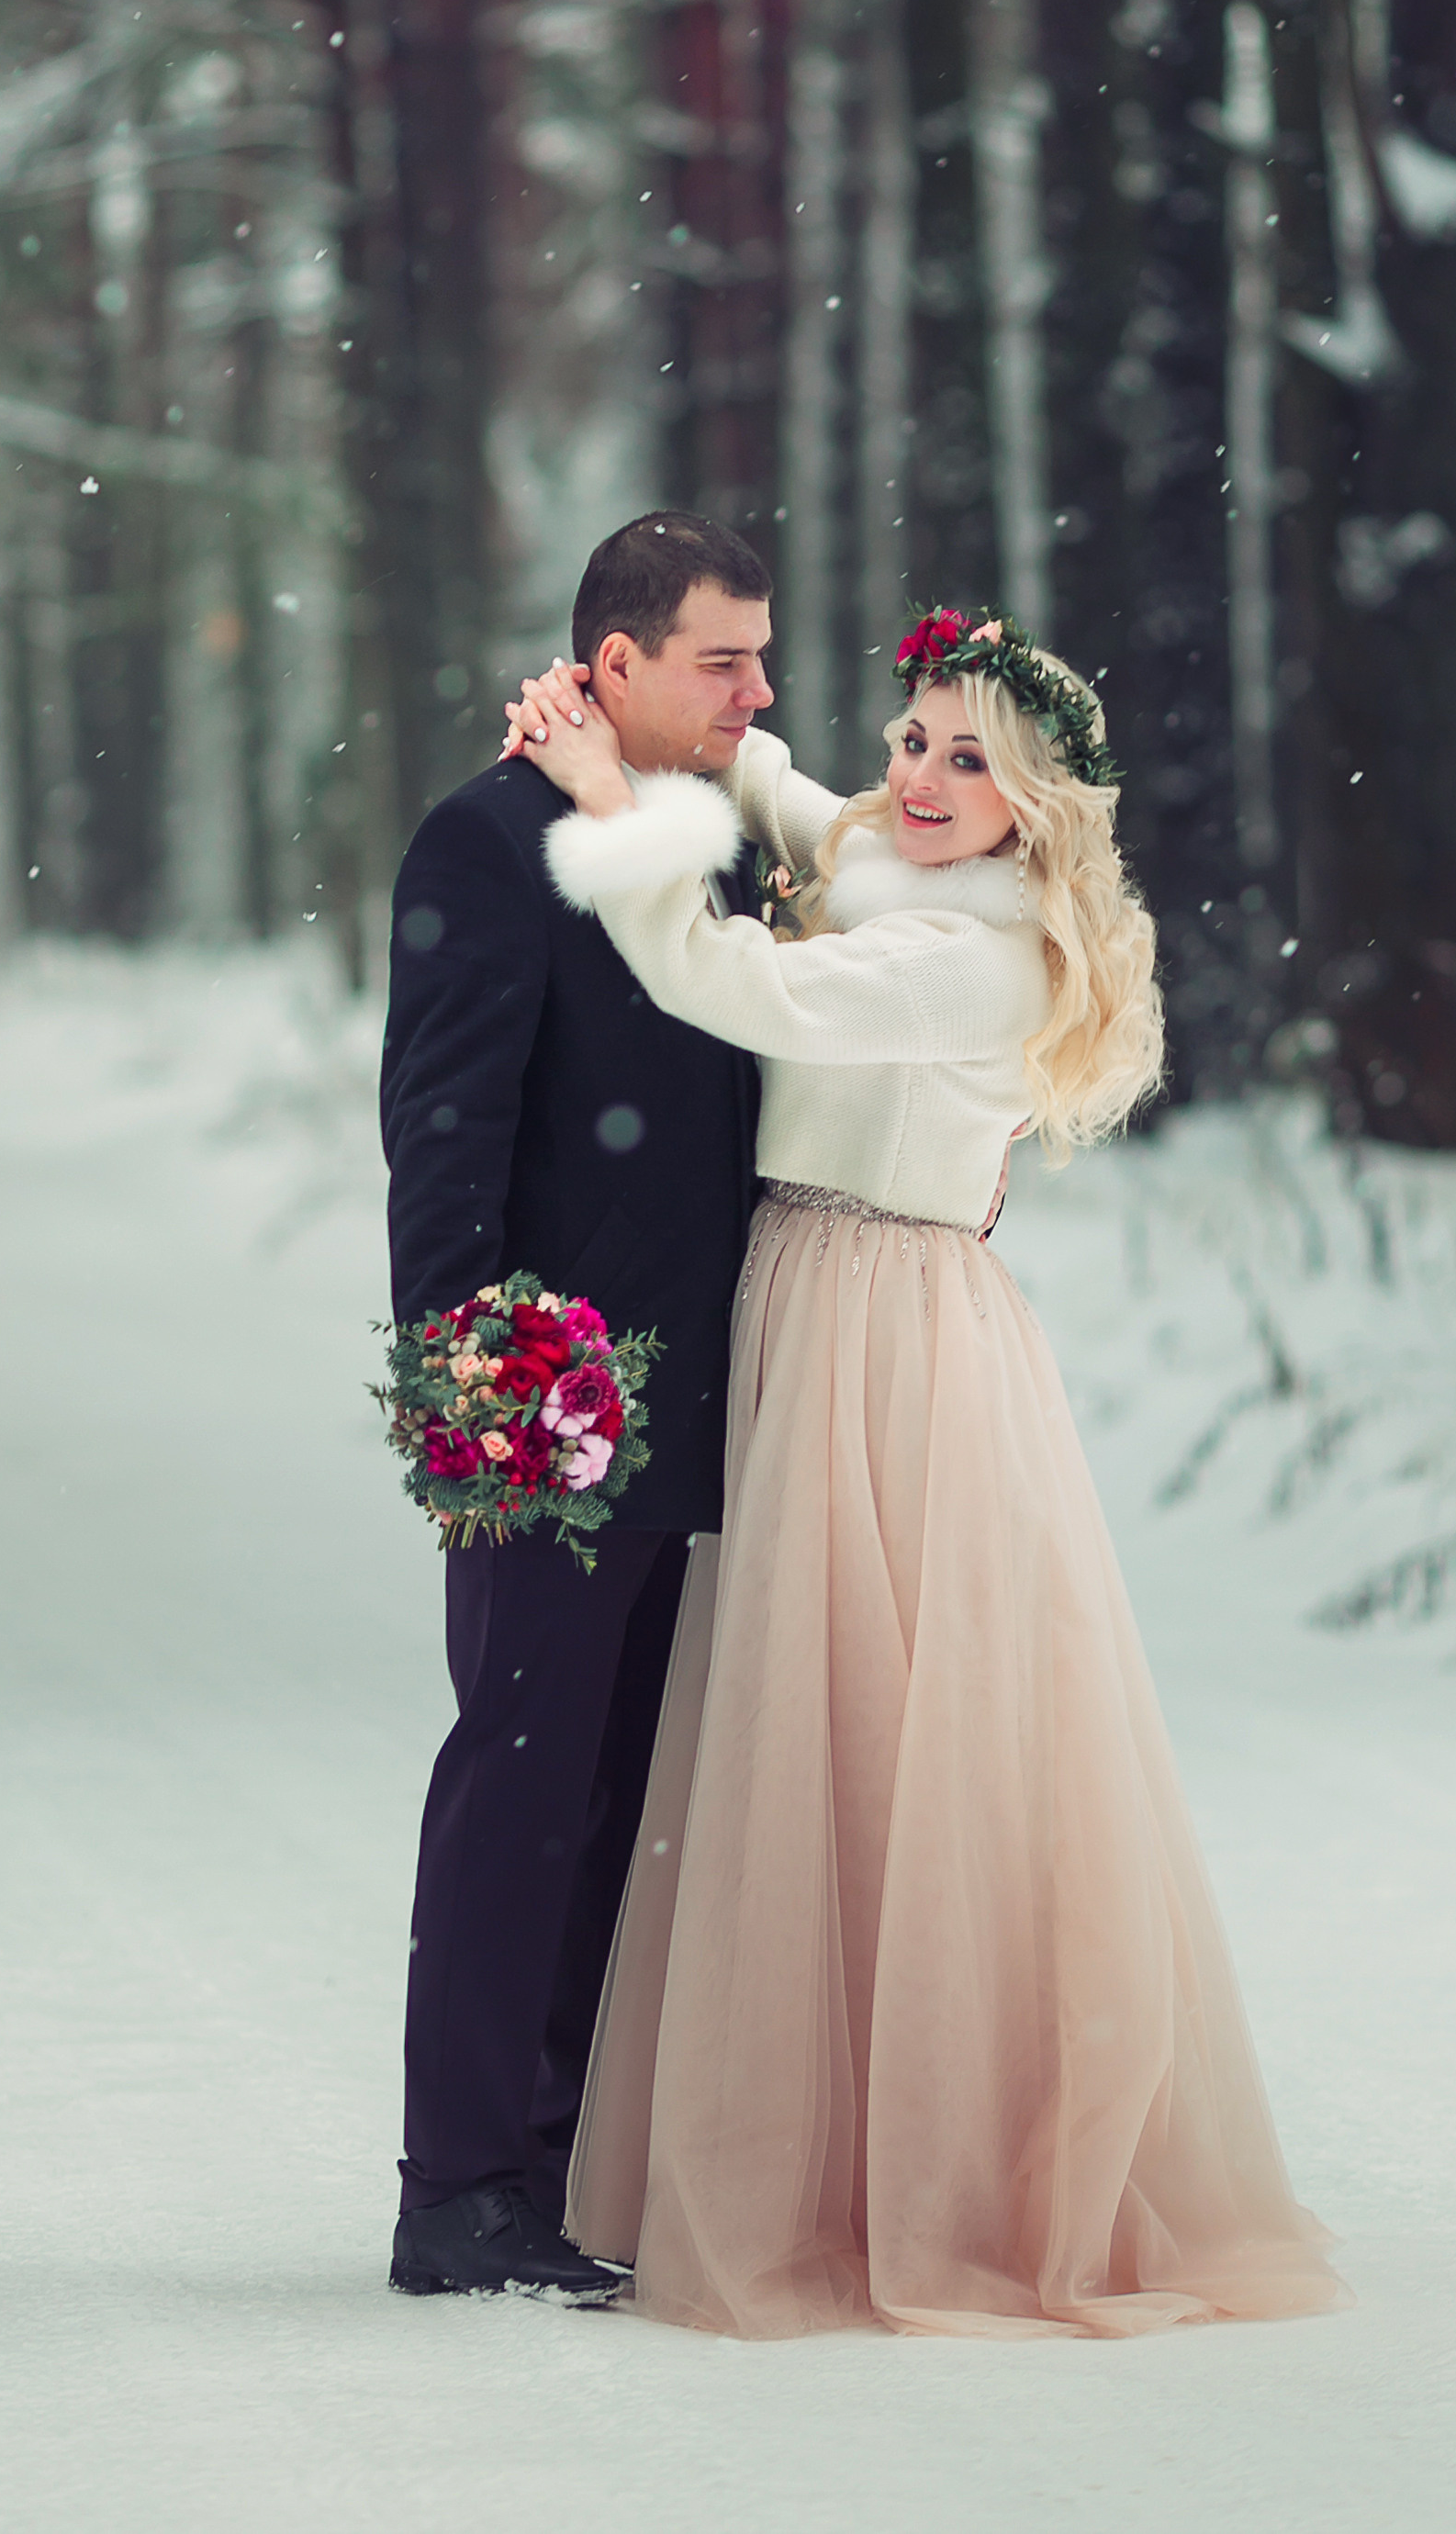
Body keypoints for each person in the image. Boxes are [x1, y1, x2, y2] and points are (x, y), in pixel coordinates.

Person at [505, 606, 1344, 2338]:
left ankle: (911, 2172)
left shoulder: (975, 955)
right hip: (844, 1296)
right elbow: (824, 818)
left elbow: (730, 981)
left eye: (974, 760)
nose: (923, 778)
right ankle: (852, 2133)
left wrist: (608, 791)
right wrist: (699, 726)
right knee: (828, 1717)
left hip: (875, 1328)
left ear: (1039, 805)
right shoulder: (903, 863)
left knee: (868, 1735)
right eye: (916, 739)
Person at [379, 510, 775, 2302]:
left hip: (717, 1400)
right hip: (549, 1397)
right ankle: (460, 2187)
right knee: (519, 1781)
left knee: (631, 1795)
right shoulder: (482, 841)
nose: (755, 690)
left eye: (760, 655)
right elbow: (440, 1137)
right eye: (720, 658)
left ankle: (564, 2159)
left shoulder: (723, 849)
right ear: (609, 666)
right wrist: (481, 1397)